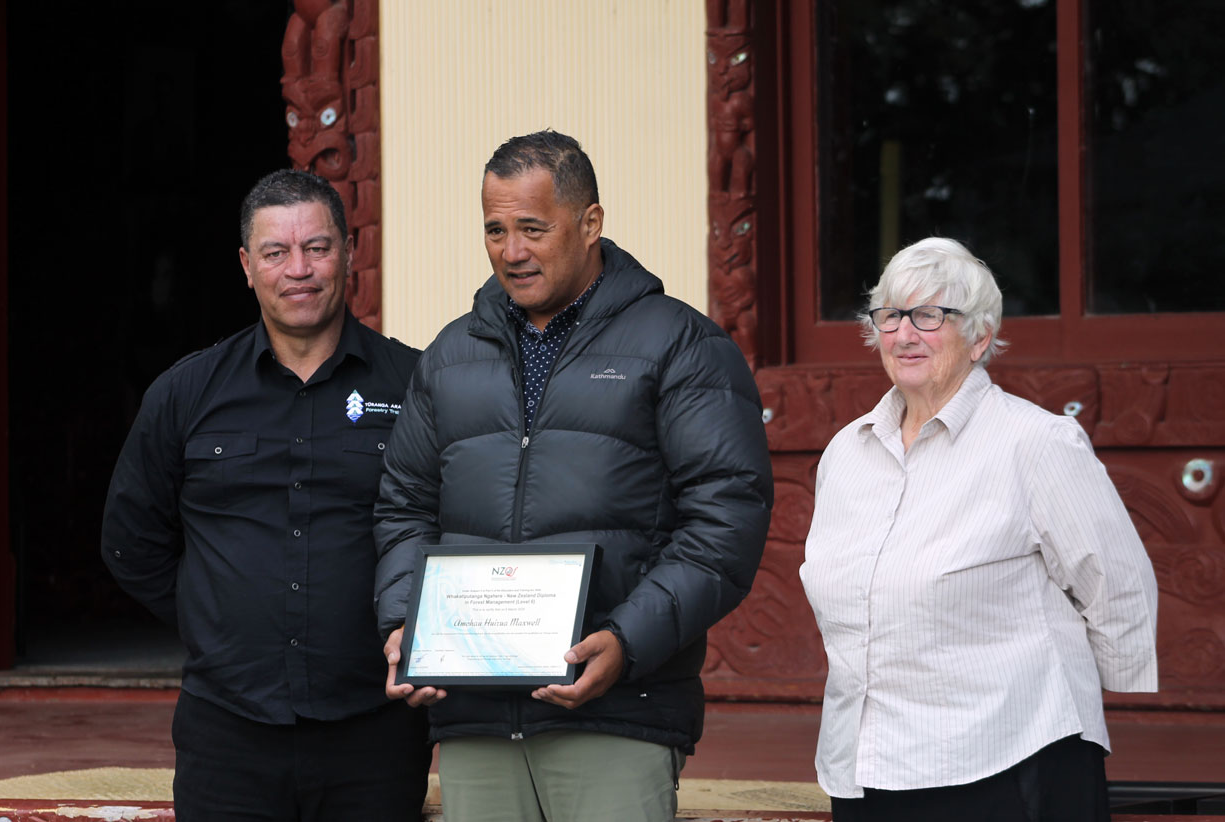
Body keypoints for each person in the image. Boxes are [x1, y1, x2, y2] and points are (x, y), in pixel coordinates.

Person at [374, 130, 774, 822]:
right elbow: (404, 506)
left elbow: (726, 518)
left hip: (616, 715)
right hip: (475, 718)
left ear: (590, 223)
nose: (511, 251)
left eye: (533, 228)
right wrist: (407, 619)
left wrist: (628, 641)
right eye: (495, 230)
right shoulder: (450, 355)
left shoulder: (680, 344)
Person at [102, 169, 431, 821]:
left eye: (317, 247)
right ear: (247, 267)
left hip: (375, 728)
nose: (298, 269)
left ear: (349, 252)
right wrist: (215, 618)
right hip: (227, 733)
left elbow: (454, 523)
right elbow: (129, 542)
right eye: (276, 252)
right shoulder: (187, 392)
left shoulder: (417, 384)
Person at [800, 237, 1159, 821]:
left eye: (930, 315)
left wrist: (1095, 694)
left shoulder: (1035, 442)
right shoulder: (847, 451)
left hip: (1008, 755)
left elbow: (1116, 582)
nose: (904, 334)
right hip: (866, 763)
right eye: (890, 315)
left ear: (980, 338)